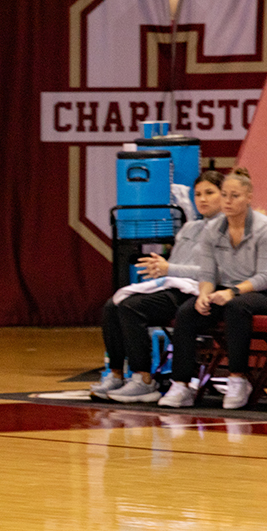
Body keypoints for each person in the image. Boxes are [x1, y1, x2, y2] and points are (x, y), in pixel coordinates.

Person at [158, 167, 267, 410]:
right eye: (225, 195)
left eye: (234, 196)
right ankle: (181, 384)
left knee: (236, 307)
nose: (227, 201)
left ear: (248, 197)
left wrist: (232, 292)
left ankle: (238, 378)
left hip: (266, 294)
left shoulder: (266, 228)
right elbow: (208, 273)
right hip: (224, 291)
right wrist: (204, 294)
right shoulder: (212, 230)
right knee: (188, 311)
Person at [93, 169, 226, 403]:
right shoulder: (190, 228)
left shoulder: (226, 231)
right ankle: (115, 375)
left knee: (132, 307)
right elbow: (175, 267)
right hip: (175, 286)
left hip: (198, 291)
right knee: (112, 306)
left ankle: (143, 379)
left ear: (223, 196)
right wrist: (161, 269)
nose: (202, 199)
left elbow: (215, 273)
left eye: (209, 193)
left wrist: (170, 269)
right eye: (197, 194)